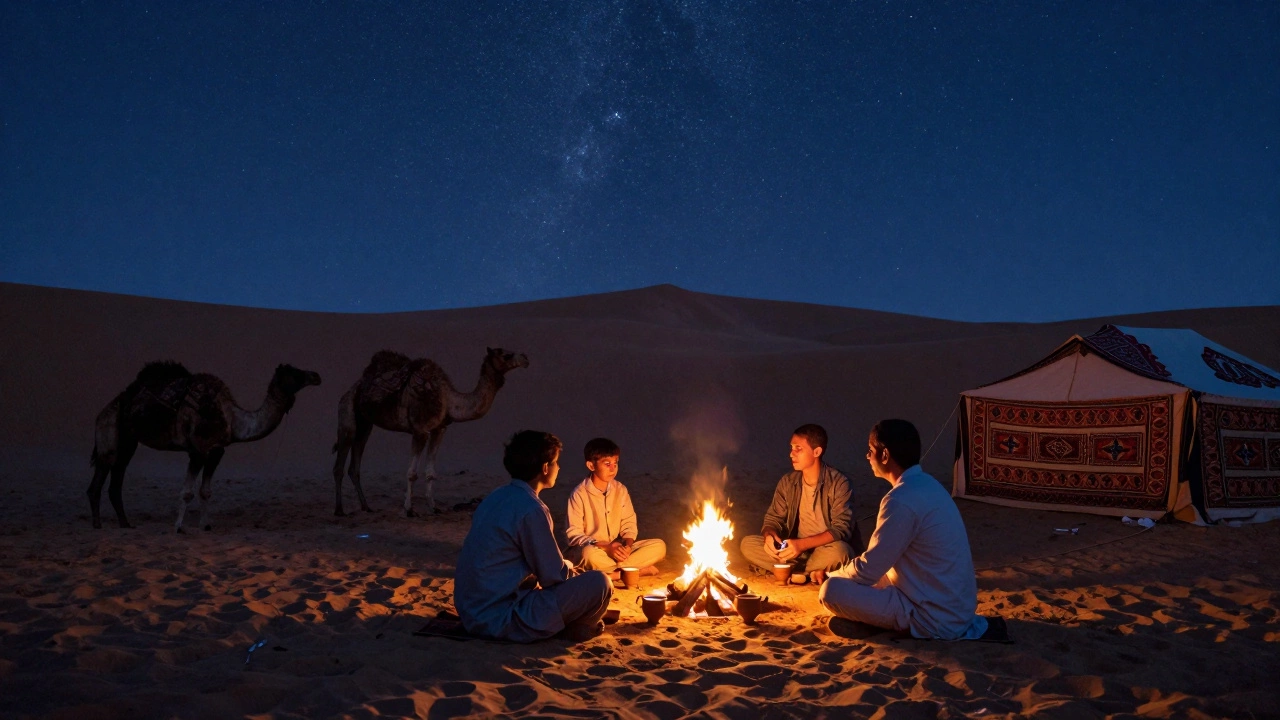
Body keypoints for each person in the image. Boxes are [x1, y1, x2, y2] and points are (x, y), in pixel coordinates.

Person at [819, 419, 988, 640]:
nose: (867, 457)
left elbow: (870, 568)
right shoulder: (929, 485)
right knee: (871, 581)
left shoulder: (901, 499)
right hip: (955, 609)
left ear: (885, 455)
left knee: (831, 591)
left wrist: (832, 575)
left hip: (935, 617)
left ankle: (895, 626)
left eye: (871, 451)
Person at [454, 430, 612, 642]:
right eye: (556, 462)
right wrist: (573, 575)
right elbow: (552, 577)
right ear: (545, 468)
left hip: (472, 612)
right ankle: (577, 627)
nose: (559, 468)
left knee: (570, 565)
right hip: (501, 618)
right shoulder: (531, 509)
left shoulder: (496, 497)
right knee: (600, 583)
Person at [739, 424, 861, 581]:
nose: (791, 454)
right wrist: (769, 535)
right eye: (791, 448)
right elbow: (773, 519)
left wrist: (801, 545)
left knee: (841, 552)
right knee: (747, 544)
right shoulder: (788, 482)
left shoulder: (839, 482)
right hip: (793, 551)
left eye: (798, 448)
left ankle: (790, 572)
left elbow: (841, 529)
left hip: (824, 550)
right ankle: (808, 573)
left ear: (816, 452)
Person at [565, 438, 667, 576]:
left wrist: (628, 547)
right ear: (591, 466)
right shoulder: (579, 494)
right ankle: (631, 572)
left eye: (616, 463)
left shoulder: (621, 490)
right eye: (607, 464)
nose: (613, 468)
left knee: (659, 546)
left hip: (618, 550)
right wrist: (607, 547)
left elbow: (629, 525)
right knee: (588, 555)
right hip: (596, 550)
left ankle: (612, 573)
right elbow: (574, 534)